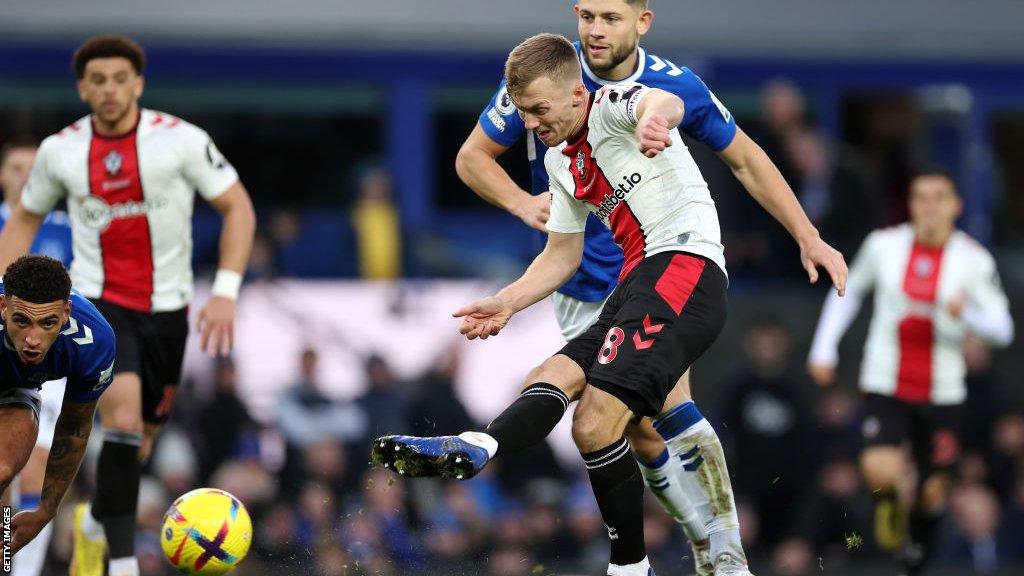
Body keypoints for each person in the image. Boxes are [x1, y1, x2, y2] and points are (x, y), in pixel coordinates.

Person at [375, 33, 847, 576]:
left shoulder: (618, 107)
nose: (528, 124)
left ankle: (650, 562)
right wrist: (507, 302)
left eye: (538, 110)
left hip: (684, 269)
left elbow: (660, 103)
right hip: (636, 283)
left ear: (577, 95)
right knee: (553, 377)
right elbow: (561, 255)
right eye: (523, 112)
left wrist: (658, 119)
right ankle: (478, 445)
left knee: (600, 422)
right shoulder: (559, 162)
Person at [0, 35, 256, 576]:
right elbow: (24, 216)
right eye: (98, 80)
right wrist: (5, 289)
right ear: (82, 88)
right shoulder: (60, 150)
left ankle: (95, 525)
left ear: (137, 84)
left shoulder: (181, 140)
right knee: (121, 420)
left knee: (139, 444)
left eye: (120, 79)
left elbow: (237, 207)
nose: (110, 89)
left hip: (169, 311)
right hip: (102, 303)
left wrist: (226, 292)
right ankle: (121, 564)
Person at [808, 169, 1014, 575]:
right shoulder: (883, 246)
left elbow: (1003, 328)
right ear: (911, 205)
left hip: (943, 391)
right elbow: (849, 291)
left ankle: (920, 544)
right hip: (886, 381)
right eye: (921, 197)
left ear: (956, 206)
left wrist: (968, 313)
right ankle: (888, 503)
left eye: (939, 198)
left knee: (933, 491)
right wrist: (823, 348)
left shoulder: (973, 259)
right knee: (879, 470)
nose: (930, 206)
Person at [0, 256, 115, 556]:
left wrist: (45, 510)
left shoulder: (94, 343)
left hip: (15, 390)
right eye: (22, 321)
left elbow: (74, 428)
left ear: (66, 313)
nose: (33, 340)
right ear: (3, 308)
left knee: (2, 471)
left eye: (47, 323)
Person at [1, 135, 76, 576]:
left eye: (35, 168)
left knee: (35, 468)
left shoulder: (70, 229)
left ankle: (21, 570)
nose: (26, 176)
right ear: (2, 175)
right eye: (16, 167)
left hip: (48, 365)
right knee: (7, 471)